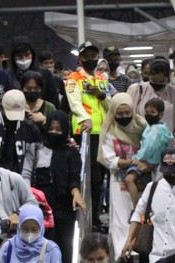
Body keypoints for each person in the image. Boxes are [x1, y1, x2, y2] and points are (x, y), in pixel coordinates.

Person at [23, 111, 86, 263]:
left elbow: (74, 178)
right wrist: (29, 199)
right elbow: (27, 175)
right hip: (41, 207)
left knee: (66, 247)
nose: (54, 132)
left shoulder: (72, 152)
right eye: (51, 128)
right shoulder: (36, 148)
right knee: (43, 247)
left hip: (65, 207)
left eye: (59, 129)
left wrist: (76, 193)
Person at [65, 41, 112, 230]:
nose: (91, 59)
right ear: (80, 58)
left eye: (94, 55)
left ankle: (96, 216)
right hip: (84, 133)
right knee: (88, 177)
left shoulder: (102, 77)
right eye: (86, 56)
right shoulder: (73, 79)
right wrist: (86, 118)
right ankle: (86, 218)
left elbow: (109, 105)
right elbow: (74, 103)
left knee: (100, 178)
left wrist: (101, 94)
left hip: (103, 133)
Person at [98, 93, 147, 261]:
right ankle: (122, 255)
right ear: (113, 113)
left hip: (143, 180)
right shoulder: (110, 130)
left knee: (141, 215)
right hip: (119, 181)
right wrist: (132, 162)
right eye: (120, 114)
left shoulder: (142, 126)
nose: (125, 117)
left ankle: (139, 248)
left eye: (128, 113)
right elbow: (109, 159)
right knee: (120, 218)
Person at [124, 98, 174, 207]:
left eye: (152, 112)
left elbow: (148, 147)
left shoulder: (157, 129)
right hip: (151, 163)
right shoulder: (154, 127)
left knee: (129, 179)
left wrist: (137, 159)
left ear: (160, 115)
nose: (148, 115)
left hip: (149, 161)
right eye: (146, 112)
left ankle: (136, 207)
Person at [126, 58, 175, 133]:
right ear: (149, 76)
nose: (157, 83)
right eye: (154, 80)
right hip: (141, 140)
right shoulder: (136, 90)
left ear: (168, 78)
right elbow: (129, 115)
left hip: (168, 140)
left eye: (162, 81)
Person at [8, 37, 60, 109]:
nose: (24, 59)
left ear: (32, 54)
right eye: (20, 56)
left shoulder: (44, 74)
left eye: (27, 55)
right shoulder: (8, 76)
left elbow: (53, 100)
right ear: (13, 57)